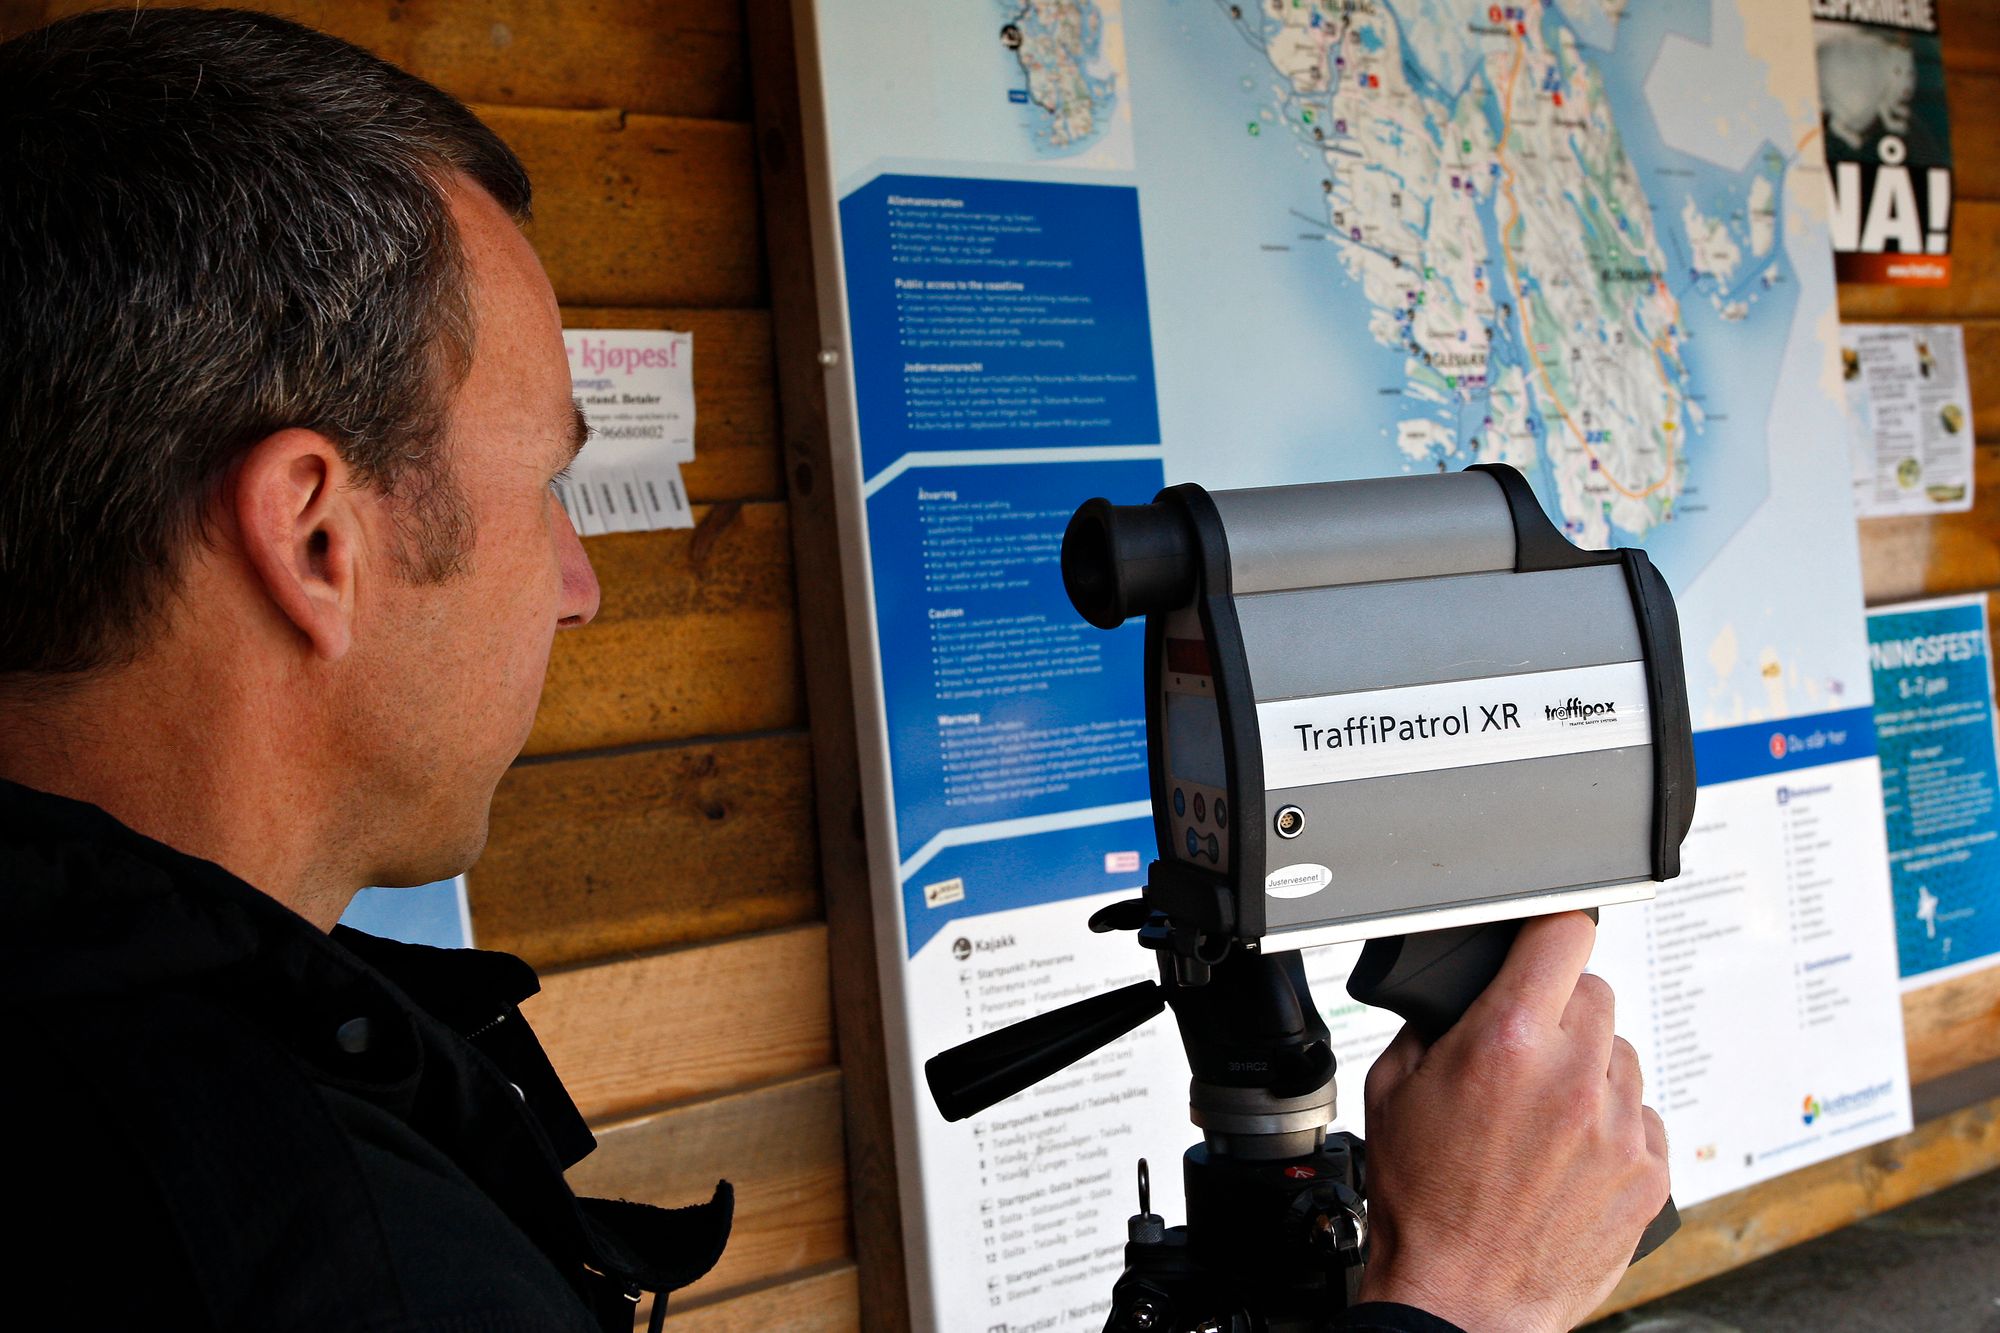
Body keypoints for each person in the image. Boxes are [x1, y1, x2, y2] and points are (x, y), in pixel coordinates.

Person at [0, 9, 1667, 1332]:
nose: (578, 588)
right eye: (546, 490)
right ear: (313, 540)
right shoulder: (318, 1246)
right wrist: (1461, 1301)